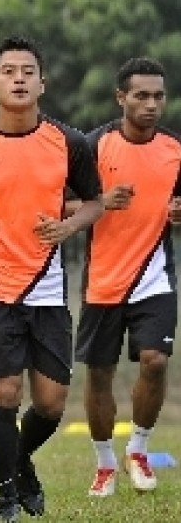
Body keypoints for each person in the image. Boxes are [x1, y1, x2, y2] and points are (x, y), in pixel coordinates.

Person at [0, 35, 103, 522]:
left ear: (42, 84)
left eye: (28, 71)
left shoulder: (68, 142)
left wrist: (69, 226)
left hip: (48, 287)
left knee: (50, 405)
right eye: (9, 71)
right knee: (5, 394)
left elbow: (94, 201)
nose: (19, 79)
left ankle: (19, 459)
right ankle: (6, 494)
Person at [72, 58, 181, 497]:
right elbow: (61, 205)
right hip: (103, 281)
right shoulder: (92, 146)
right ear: (121, 98)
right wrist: (100, 202)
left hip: (155, 276)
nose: (151, 104)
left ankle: (138, 448)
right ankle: (104, 463)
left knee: (155, 361)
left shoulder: (176, 150)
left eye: (158, 96)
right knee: (100, 374)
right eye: (141, 96)